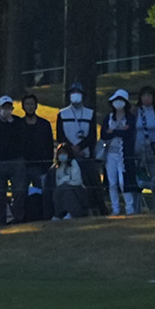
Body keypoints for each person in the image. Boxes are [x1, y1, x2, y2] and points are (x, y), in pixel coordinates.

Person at [56, 82, 103, 215]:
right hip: (68, 156)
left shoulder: (90, 113)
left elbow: (92, 135)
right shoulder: (62, 113)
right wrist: (71, 149)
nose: (75, 96)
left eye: (78, 93)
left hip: (86, 155)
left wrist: (81, 147)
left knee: (90, 184)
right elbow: (60, 135)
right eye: (73, 92)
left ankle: (94, 209)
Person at [0, 95, 26, 225]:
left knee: (19, 192)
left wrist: (12, 124)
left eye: (9, 107)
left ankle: (17, 218)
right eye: (4, 107)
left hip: (16, 162)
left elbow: (22, 140)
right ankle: (0, 220)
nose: (7, 110)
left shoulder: (18, 123)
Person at [99, 90, 138, 216]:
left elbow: (129, 134)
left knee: (124, 182)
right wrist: (119, 131)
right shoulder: (108, 118)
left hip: (124, 155)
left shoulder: (131, 118)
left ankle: (129, 209)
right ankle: (115, 209)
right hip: (110, 154)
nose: (118, 102)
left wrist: (114, 132)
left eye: (121, 99)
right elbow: (104, 134)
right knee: (112, 183)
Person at [20, 94, 54, 191]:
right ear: (23, 106)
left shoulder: (44, 124)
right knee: (21, 194)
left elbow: (49, 145)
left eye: (32, 104)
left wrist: (47, 164)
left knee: (41, 193)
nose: (29, 107)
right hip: (23, 166)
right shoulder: (18, 124)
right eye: (27, 104)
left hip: (40, 166)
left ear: (36, 106)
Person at [49, 143, 89, 219]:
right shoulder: (57, 167)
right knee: (61, 191)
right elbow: (57, 182)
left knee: (67, 192)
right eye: (60, 153)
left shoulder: (73, 163)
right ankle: (59, 213)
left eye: (64, 153)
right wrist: (67, 179)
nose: (62, 155)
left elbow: (77, 181)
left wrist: (65, 182)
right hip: (62, 189)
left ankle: (73, 213)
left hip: (78, 190)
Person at [134, 86, 155, 183]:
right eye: (144, 95)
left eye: (149, 95)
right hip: (138, 150)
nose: (146, 98)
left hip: (154, 150)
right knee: (138, 179)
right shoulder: (135, 112)